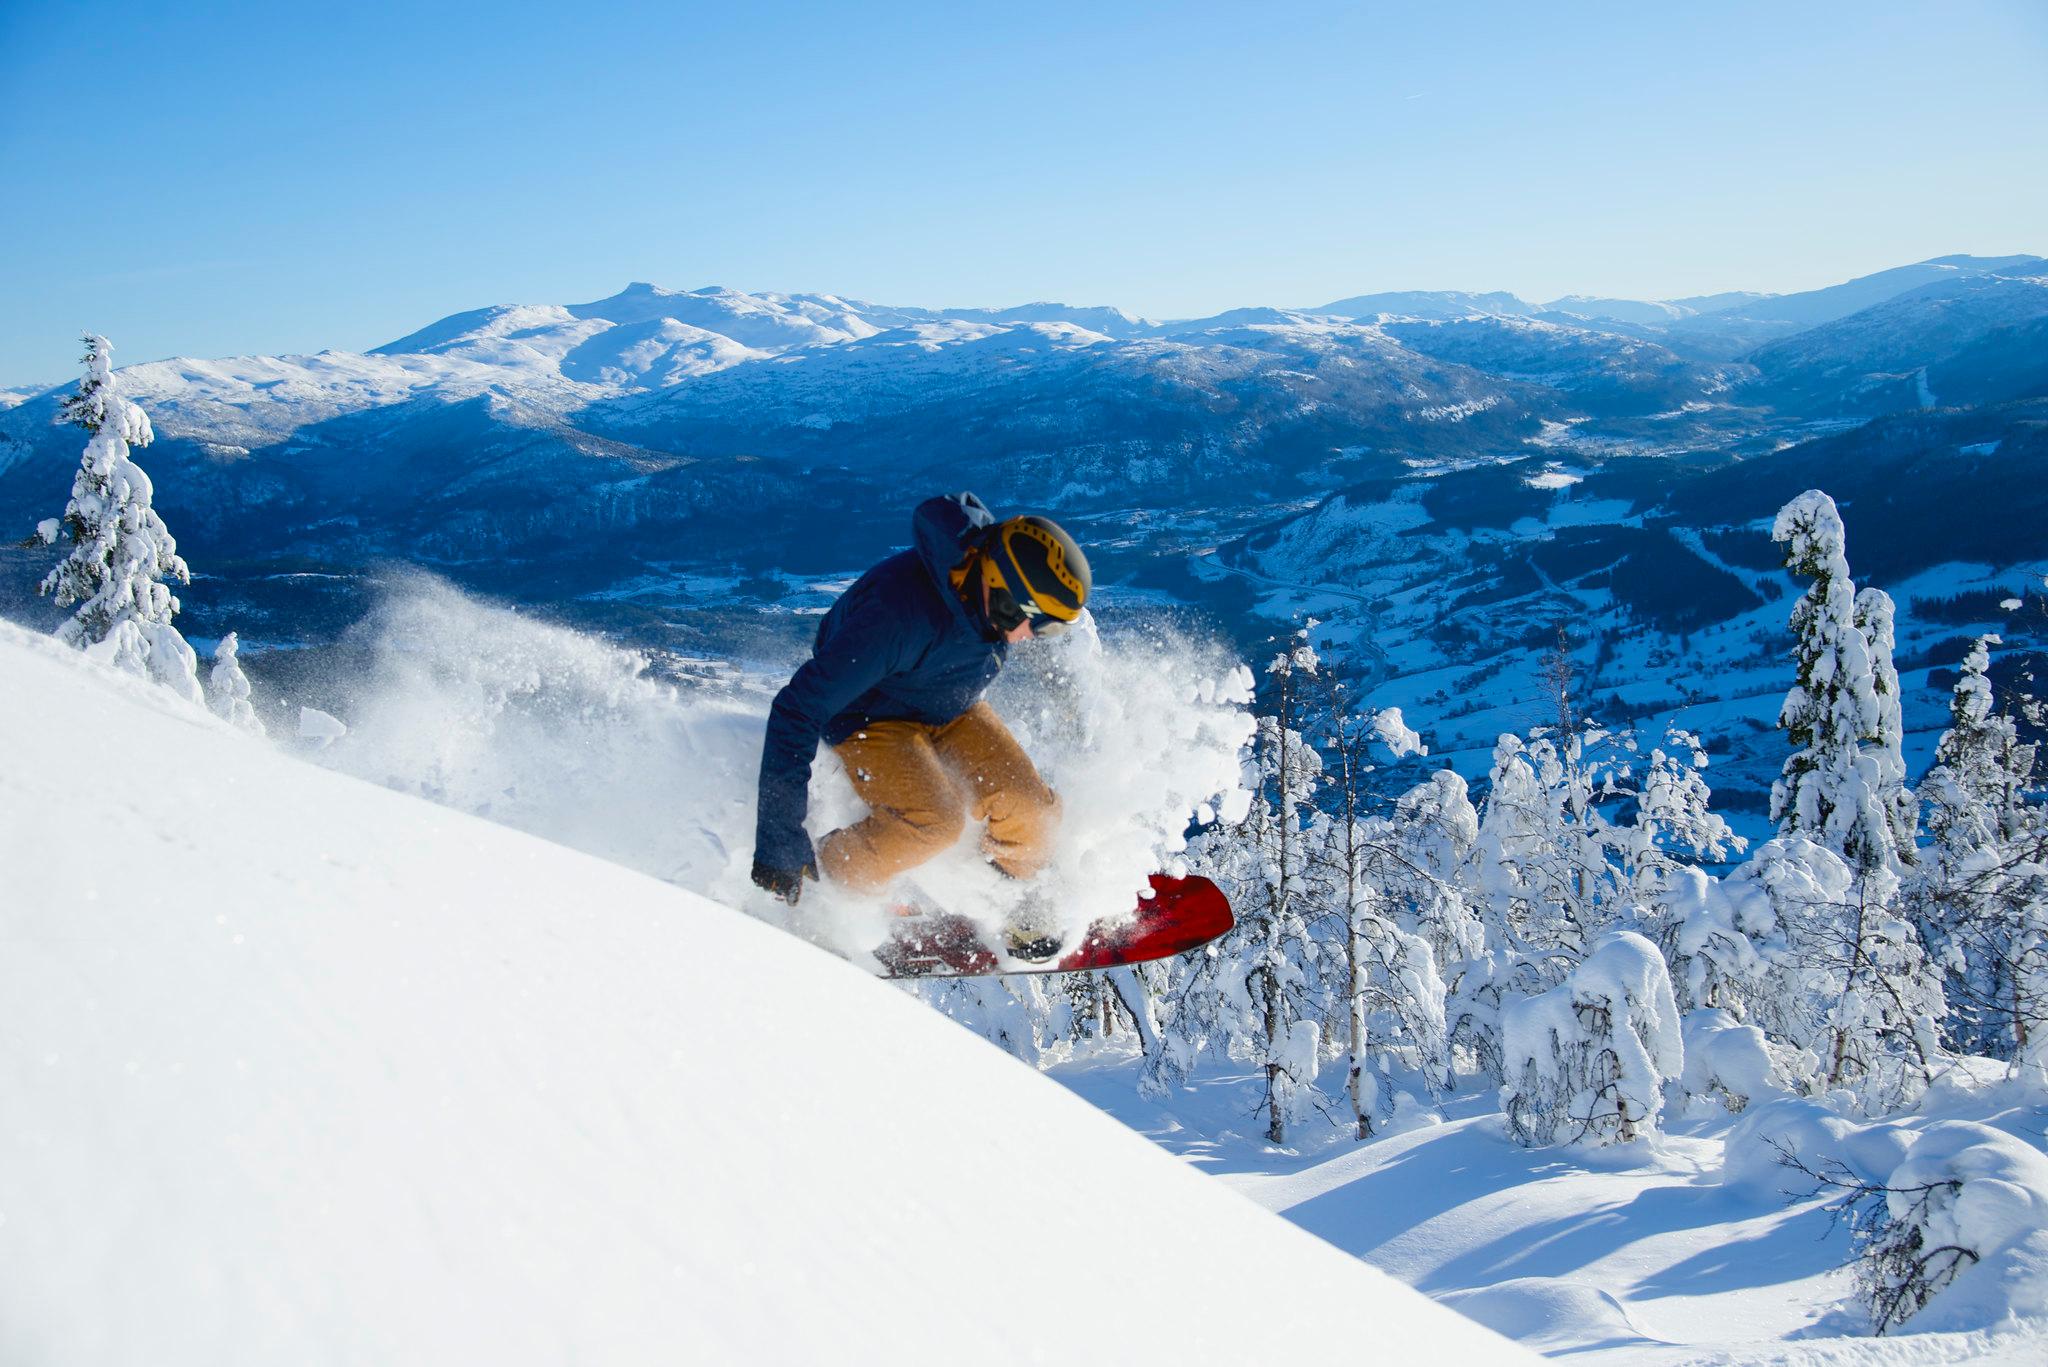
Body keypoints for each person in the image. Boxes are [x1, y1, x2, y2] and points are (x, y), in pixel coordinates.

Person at [750, 492, 1090, 945]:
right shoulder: (896, 617)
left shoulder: (984, 599)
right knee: (933, 823)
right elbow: (798, 707)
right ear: (1005, 594)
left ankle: (1008, 898)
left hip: (947, 704)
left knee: (1034, 811)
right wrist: (780, 836)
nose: (1034, 637)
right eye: (1038, 623)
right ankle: (831, 882)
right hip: (871, 716)